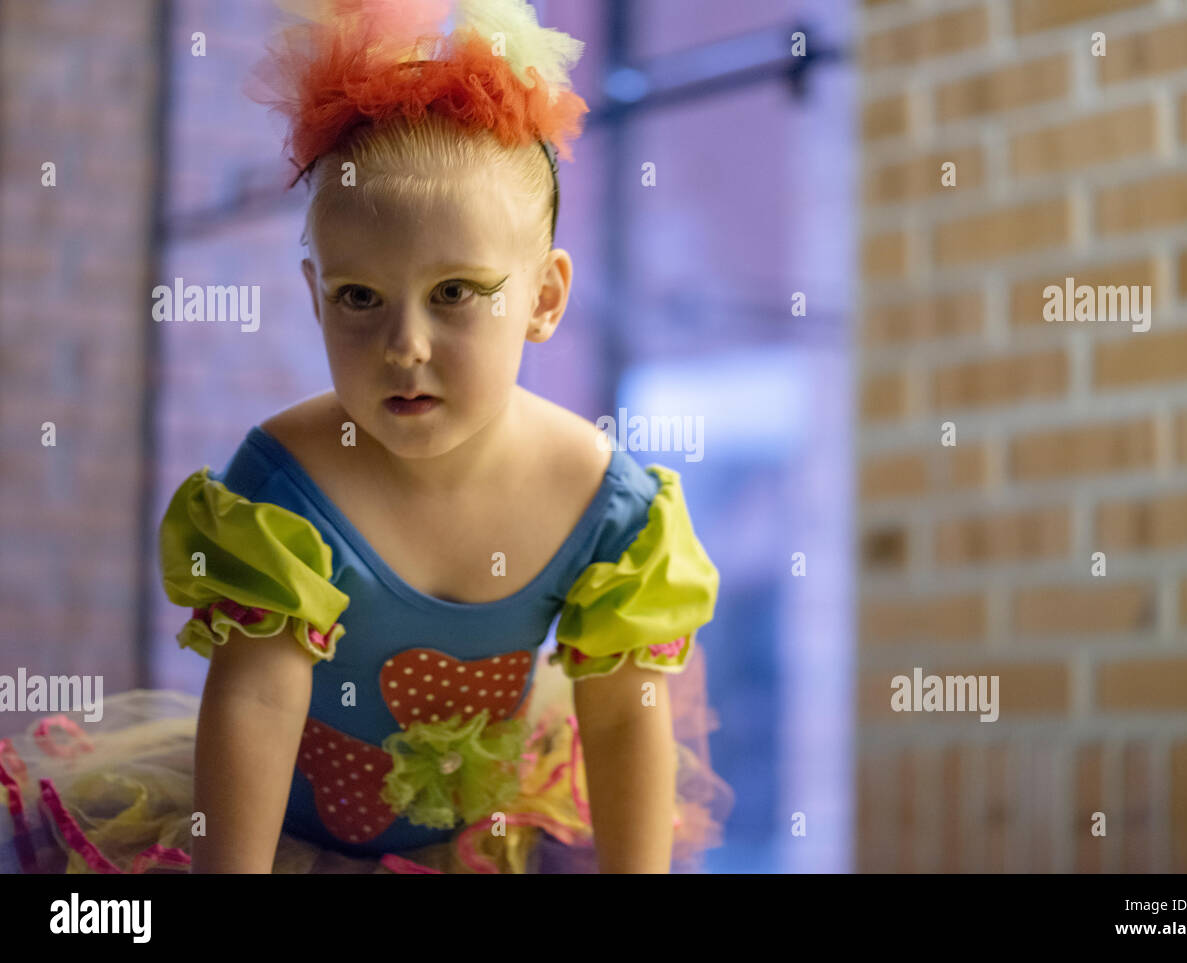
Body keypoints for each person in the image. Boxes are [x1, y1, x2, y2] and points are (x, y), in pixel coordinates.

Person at [0, 0, 733, 875]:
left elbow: (620, 714)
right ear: (315, 297)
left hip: (480, 839)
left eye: (456, 292)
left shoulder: (603, 502)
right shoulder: (286, 490)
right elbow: (259, 706)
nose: (406, 345)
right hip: (286, 836)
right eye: (359, 298)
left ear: (542, 298)